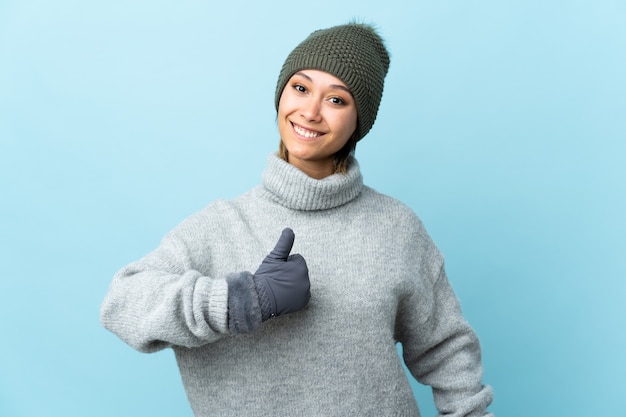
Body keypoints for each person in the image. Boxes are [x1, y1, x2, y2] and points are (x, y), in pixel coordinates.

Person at [101, 22, 494, 417]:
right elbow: (122, 305)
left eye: (336, 100)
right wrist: (243, 301)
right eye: (301, 88)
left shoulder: (395, 228)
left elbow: (446, 350)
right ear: (281, 95)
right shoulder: (221, 226)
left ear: (360, 121)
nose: (310, 111)